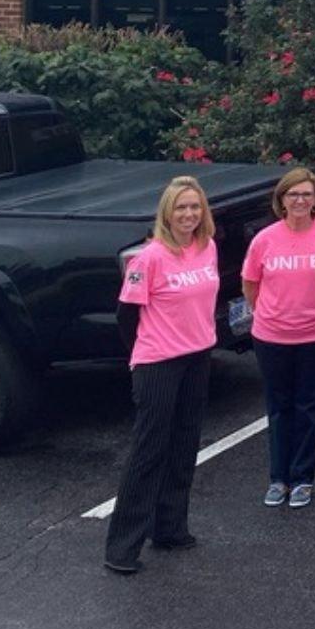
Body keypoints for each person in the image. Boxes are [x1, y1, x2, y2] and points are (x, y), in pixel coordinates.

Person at [104, 177, 219, 574]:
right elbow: (126, 316)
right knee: (149, 452)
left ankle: (169, 528)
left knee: (185, 445)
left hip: (197, 357)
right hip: (158, 364)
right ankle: (121, 546)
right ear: (166, 213)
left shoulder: (208, 248)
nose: (189, 214)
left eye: (195, 207)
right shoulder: (149, 257)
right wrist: (145, 353)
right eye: (181, 208)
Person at [242, 168, 315, 510]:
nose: (300, 200)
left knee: (309, 408)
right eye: (293, 194)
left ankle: (302, 479)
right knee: (279, 408)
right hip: (271, 337)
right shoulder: (264, 239)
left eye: (307, 195)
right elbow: (251, 284)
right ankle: (278, 478)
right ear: (281, 200)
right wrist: (271, 313)